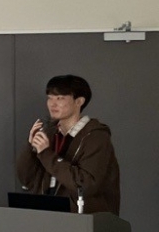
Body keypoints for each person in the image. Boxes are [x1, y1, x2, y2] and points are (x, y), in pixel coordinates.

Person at [16, 74, 120, 215]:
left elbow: (85, 184)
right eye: (49, 98)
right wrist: (31, 147)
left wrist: (46, 154)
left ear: (79, 101)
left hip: (82, 222)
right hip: (46, 216)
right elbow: (27, 180)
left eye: (60, 98)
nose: (52, 104)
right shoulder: (50, 133)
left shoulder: (96, 137)